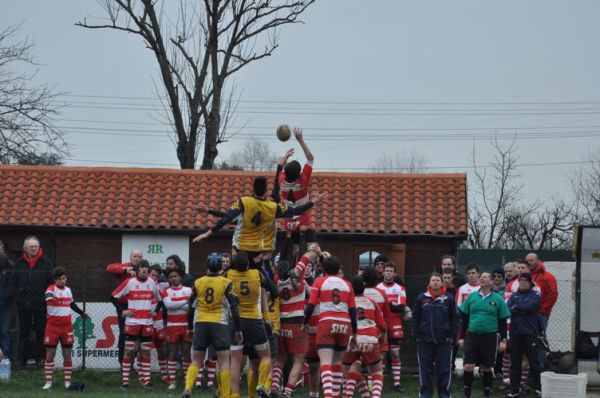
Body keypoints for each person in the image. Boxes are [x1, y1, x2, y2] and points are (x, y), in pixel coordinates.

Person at [193, 176, 325, 269]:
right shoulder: (273, 207)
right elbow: (297, 210)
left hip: (241, 248)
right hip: (258, 250)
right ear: (266, 191)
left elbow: (227, 217)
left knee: (230, 274)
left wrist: (207, 233)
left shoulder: (244, 201)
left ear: (253, 189)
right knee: (264, 281)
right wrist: (314, 202)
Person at [183, 253, 241, 398]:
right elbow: (234, 308)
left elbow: (190, 307)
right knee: (223, 363)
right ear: (221, 266)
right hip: (219, 324)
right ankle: (226, 394)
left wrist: (190, 327)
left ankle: (188, 388)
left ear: (207, 265)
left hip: (201, 323)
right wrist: (239, 329)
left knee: (196, 360)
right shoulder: (226, 282)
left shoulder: (198, 282)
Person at [223, 251, 278, 398]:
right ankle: (261, 384)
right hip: (254, 320)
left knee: (235, 361)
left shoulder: (229, 275)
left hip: (235, 321)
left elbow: (223, 274)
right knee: (266, 356)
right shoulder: (256, 274)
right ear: (248, 264)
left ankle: (234, 394)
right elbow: (272, 289)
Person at [303, 256, 358, 398]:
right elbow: (352, 309)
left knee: (326, 361)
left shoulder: (320, 281)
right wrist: (355, 331)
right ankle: (335, 395)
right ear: (338, 268)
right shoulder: (347, 284)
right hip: (344, 324)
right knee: (337, 362)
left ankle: (328, 395)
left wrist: (304, 322)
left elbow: (311, 304)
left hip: (326, 322)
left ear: (323, 268)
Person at [270, 247, 321, 398]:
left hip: (281, 323)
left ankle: (274, 387)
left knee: (280, 358)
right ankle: (287, 391)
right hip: (297, 322)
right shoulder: (297, 275)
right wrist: (316, 250)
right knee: (298, 360)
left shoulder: (276, 280)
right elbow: (308, 256)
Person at [111, 259, 162, 389]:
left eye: (146, 268)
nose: (144, 270)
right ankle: (125, 382)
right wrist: (123, 310)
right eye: (142, 268)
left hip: (147, 323)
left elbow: (160, 300)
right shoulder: (129, 282)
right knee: (128, 351)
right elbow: (113, 296)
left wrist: (155, 311)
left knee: (145, 352)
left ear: (148, 271)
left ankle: (146, 381)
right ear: (138, 270)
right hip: (132, 323)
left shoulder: (152, 283)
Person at [459, 272, 511, 398]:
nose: (482, 278)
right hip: (472, 336)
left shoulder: (497, 299)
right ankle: (466, 394)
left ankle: (486, 393)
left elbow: (502, 322)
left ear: (491, 282)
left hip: (490, 338)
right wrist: (461, 337)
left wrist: (503, 340)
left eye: (485, 277)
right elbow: (464, 319)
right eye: (481, 276)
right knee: (468, 366)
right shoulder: (471, 297)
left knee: (486, 367)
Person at [412, 273, 460, 398]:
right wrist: (416, 334)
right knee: (425, 369)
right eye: (433, 280)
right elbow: (415, 317)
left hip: (443, 340)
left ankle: (444, 394)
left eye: (437, 280)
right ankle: (425, 394)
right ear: (429, 283)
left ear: (442, 282)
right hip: (425, 340)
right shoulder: (422, 298)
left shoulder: (449, 298)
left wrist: (452, 335)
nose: (435, 282)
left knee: (444, 370)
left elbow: (455, 318)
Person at [10, 236, 54, 367]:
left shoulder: (46, 263)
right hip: (24, 304)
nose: (34, 248)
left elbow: (51, 283)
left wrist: (46, 297)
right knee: (24, 332)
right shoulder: (19, 263)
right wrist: (17, 296)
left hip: (41, 304)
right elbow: (13, 281)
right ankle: (22, 359)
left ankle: (40, 358)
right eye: (31, 246)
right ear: (26, 248)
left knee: (41, 331)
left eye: (36, 246)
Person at [42, 267, 88, 390]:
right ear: (55, 280)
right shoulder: (51, 289)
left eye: (64, 278)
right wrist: (50, 298)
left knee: (67, 354)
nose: (63, 281)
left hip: (67, 327)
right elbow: (48, 295)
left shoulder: (68, 290)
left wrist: (81, 313)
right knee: (50, 354)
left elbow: (71, 304)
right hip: (52, 327)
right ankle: (48, 382)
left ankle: (67, 383)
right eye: (59, 279)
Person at [341, 276, 387, 398]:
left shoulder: (346, 303)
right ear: (364, 289)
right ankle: (374, 396)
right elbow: (383, 325)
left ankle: (348, 395)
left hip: (352, 340)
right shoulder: (371, 303)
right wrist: (381, 336)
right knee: (376, 370)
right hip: (370, 339)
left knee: (347, 370)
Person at [277, 128, 316, 260]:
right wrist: (300, 140)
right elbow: (310, 158)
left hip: (289, 218)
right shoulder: (303, 181)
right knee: (312, 247)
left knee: (295, 249)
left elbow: (280, 166)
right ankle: (307, 269)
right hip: (303, 215)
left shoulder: (281, 181)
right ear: (299, 172)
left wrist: (285, 156)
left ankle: (294, 266)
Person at [506, 273, 542, 398]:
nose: (522, 282)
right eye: (520, 280)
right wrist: (520, 309)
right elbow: (507, 308)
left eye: (524, 280)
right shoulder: (514, 295)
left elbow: (531, 307)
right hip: (515, 334)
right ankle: (514, 390)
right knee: (515, 363)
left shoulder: (535, 295)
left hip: (530, 334)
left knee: (534, 363)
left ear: (529, 282)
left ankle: (539, 388)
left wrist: (517, 308)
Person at [105, 249, 143, 364]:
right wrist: (125, 270)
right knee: (124, 334)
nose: (137, 258)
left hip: (138, 305)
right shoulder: (125, 266)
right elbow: (109, 268)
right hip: (123, 305)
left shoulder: (143, 269)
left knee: (137, 335)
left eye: (139, 256)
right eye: (135, 256)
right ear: (130, 257)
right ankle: (123, 363)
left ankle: (132, 363)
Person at [376, 262, 407, 391]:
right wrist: (392, 304)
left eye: (391, 271)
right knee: (380, 355)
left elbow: (401, 307)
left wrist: (387, 304)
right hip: (380, 323)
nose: (388, 273)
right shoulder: (377, 287)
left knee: (395, 353)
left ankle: (397, 384)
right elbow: (376, 307)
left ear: (394, 273)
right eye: (386, 270)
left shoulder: (400, 288)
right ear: (383, 272)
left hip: (395, 323)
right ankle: (379, 384)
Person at [162, 268, 193, 390]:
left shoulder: (188, 290)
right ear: (168, 279)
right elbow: (169, 306)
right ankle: (172, 381)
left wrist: (177, 303)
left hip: (186, 325)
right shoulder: (165, 291)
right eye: (171, 277)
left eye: (175, 276)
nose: (173, 278)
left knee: (186, 353)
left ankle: (187, 380)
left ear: (180, 277)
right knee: (172, 353)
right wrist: (184, 301)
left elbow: (190, 308)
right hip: (172, 326)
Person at [525, 253, 558, 368]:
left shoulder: (547, 277)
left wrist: (542, 311)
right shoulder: (525, 276)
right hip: (527, 314)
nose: (529, 262)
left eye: (531, 260)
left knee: (539, 341)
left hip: (540, 314)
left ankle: (542, 368)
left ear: (537, 260)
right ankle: (531, 369)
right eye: (527, 260)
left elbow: (552, 295)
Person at [149, 264, 169, 384]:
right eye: (152, 274)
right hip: (144, 320)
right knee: (144, 349)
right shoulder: (141, 284)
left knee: (161, 349)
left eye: (157, 275)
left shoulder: (162, 285)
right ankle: (145, 377)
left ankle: (164, 375)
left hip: (158, 321)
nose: (154, 277)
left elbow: (174, 279)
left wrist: (164, 272)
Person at [0, 240, 14, 360]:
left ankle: (5, 357)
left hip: (5, 303)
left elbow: (13, 284)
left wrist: (7, 295)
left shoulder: (10, 266)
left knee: (4, 330)